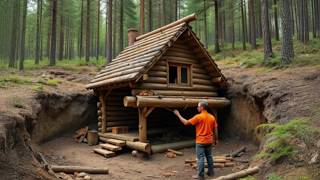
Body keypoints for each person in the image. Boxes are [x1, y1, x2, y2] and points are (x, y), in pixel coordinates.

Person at [173, 101, 218, 180]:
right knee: (209, 156)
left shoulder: (198, 117)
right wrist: (216, 139)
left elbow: (186, 123)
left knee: (200, 158)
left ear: (202, 107)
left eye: (198, 106)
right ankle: (211, 172)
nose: (197, 108)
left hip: (200, 142)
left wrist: (178, 115)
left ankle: (201, 176)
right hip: (209, 141)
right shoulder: (212, 117)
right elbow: (216, 129)